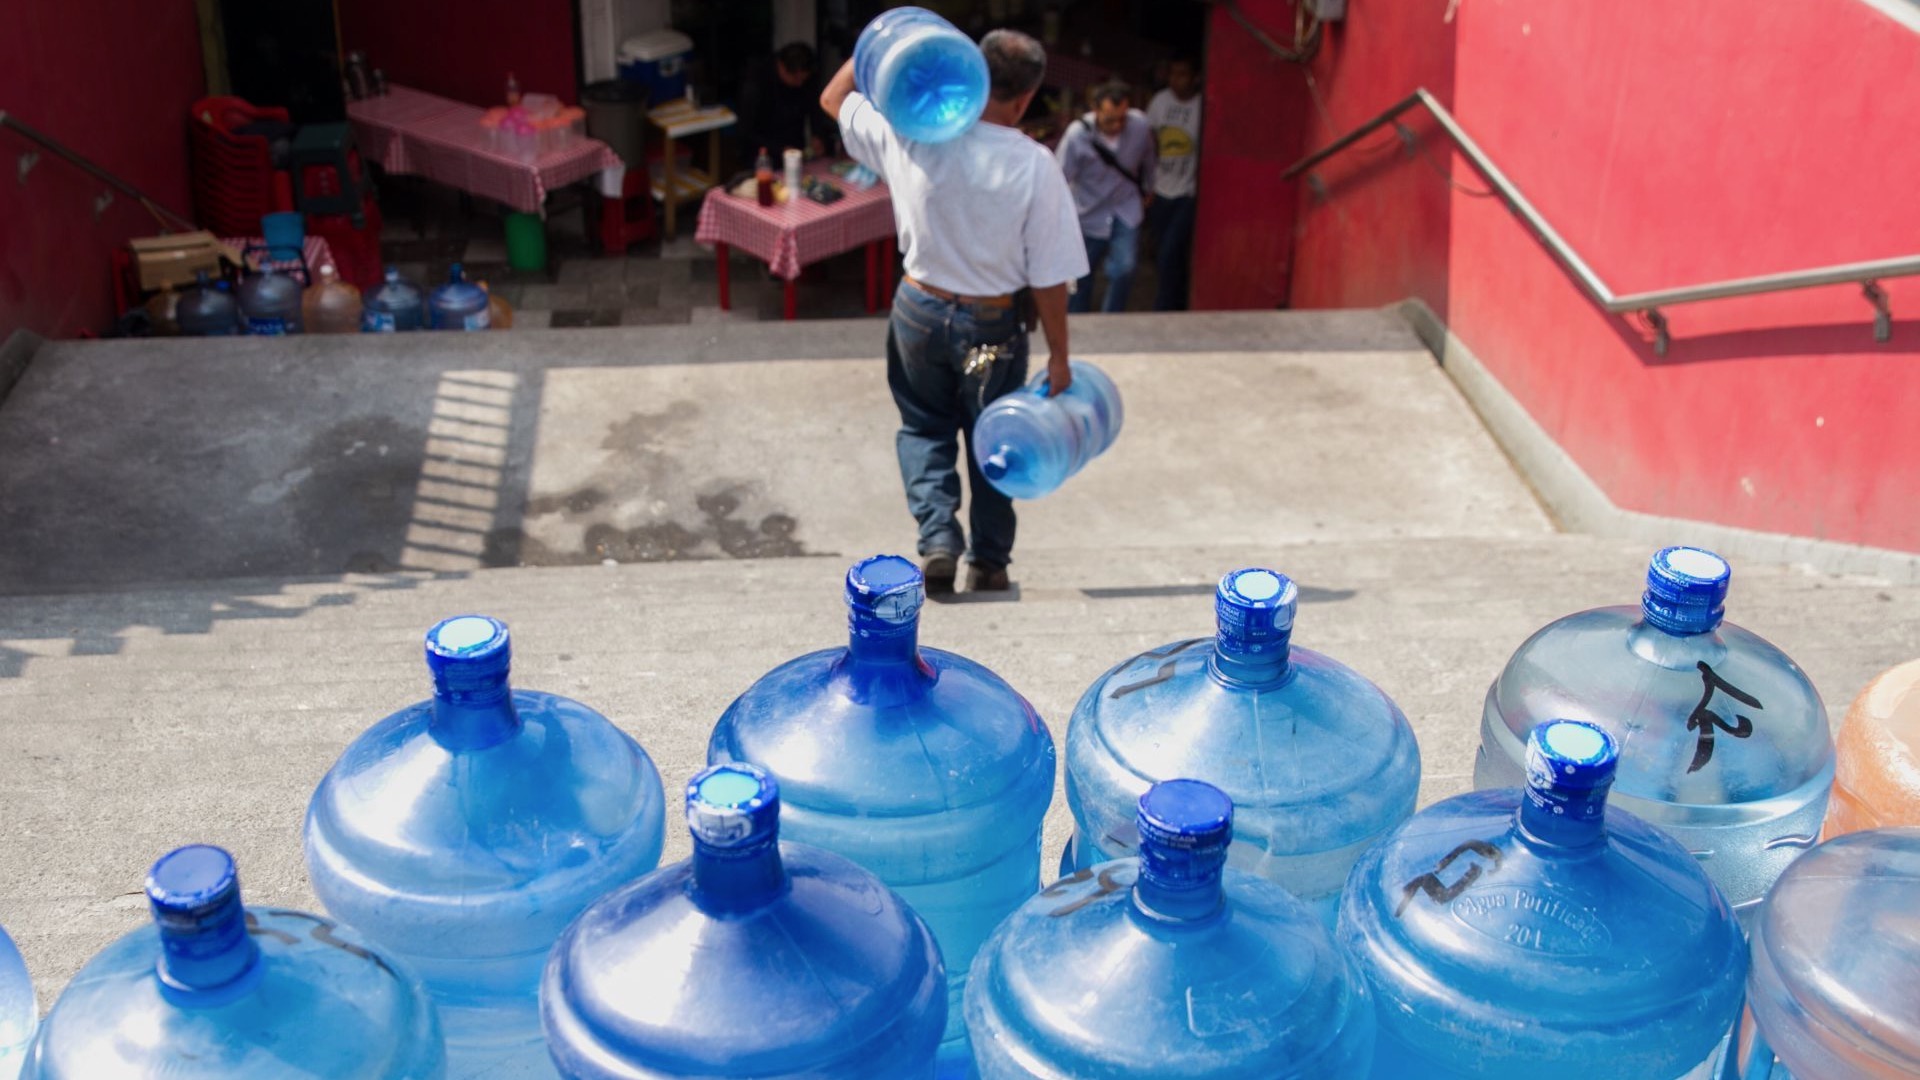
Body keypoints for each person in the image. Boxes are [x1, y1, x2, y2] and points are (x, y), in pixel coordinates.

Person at [823, 29, 1086, 594]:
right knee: (995, 441)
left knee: (923, 427)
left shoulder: (911, 133)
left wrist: (886, 37)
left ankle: (938, 539)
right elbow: (1049, 279)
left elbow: (833, 97)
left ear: (972, 72)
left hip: (918, 309)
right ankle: (989, 564)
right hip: (992, 328)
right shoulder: (1034, 164)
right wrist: (1061, 356)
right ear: (1027, 97)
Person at [1056, 80, 1157, 313]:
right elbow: (1059, 177)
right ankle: (1077, 324)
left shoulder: (1140, 126)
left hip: (1125, 207)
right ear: (1095, 109)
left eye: (1122, 119)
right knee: (1080, 275)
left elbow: (1150, 159)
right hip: (1088, 212)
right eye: (1110, 120)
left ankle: (1111, 320)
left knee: (1125, 268)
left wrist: (1150, 187)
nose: (1117, 126)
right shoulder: (1077, 136)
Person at [1145, 58, 1201, 310]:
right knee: (1166, 255)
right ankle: (1176, 301)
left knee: (1170, 251)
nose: (1177, 80)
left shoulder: (1202, 105)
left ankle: (1163, 308)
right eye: (1173, 74)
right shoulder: (1160, 102)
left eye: (1183, 74)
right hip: (1160, 191)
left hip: (1186, 193)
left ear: (1195, 77)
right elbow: (1150, 142)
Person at [738, 42, 834, 160]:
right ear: (781, 66)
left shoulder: (805, 78)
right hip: (763, 149)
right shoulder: (757, 82)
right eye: (795, 78)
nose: (800, 83)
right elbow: (747, 130)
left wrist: (817, 134)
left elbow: (814, 107)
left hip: (794, 141)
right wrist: (780, 149)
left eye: (803, 79)